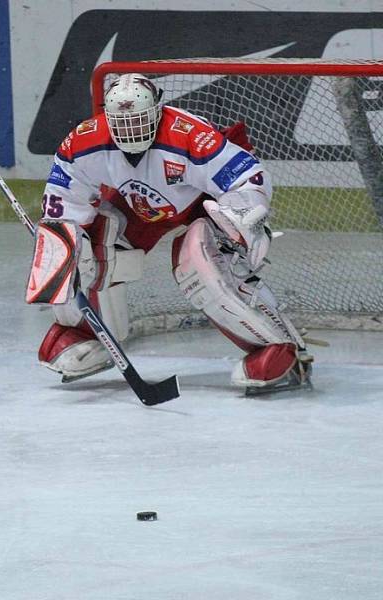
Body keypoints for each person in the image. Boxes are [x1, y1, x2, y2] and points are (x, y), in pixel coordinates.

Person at [27, 73, 312, 393]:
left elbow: (248, 175)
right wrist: (61, 234)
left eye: (138, 119)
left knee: (200, 258)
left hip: (202, 202)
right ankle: (85, 334)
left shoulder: (189, 136)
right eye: (121, 121)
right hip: (140, 206)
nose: (130, 129)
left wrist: (241, 215)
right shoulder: (84, 141)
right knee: (83, 245)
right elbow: (64, 199)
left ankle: (277, 347)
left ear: (157, 110)